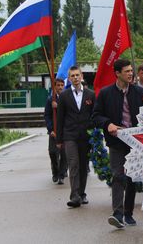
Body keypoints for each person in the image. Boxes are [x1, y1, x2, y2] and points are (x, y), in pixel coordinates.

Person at [92, 59, 143, 228]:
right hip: (116, 141)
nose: (130, 74)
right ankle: (117, 214)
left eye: (131, 71)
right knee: (118, 175)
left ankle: (128, 213)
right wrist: (108, 124)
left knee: (132, 177)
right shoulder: (105, 94)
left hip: (135, 142)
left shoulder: (139, 92)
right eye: (126, 71)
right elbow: (95, 116)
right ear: (117, 73)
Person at [56, 66, 95, 208]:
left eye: (77, 75)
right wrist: (59, 140)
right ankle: (74, 196)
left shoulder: (91, 94)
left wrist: (95, 133)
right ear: (69, 78)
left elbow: (94, 115)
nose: (75, 78)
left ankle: (82, 193)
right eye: (72, 76)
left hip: (86, 136)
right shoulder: (65, 96)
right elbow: (60, 119)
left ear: (82, 76)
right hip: (70, 136)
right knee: (73, 164)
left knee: (83, 166)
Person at [44, 78, 67, 185]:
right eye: (58, 85)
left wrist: (59, 107)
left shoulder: (67, 98)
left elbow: (69, 113)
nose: (60, 87)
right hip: (54, 131)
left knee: (64, 154)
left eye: (62, 85)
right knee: (53, 153)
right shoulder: (50, 99)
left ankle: (62, 175)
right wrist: (51, 130)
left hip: (65, 131)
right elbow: (47, 116)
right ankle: (55, 172)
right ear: (54, 87)